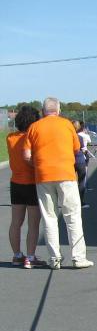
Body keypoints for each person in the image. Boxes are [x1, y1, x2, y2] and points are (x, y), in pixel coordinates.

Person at [23, 97, 93, 270]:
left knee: (49, 218)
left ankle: (55, 258)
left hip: (43, 177)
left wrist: (38, 165)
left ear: (43, 111)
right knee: (72, 216)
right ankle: (78, 258)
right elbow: (76, 149)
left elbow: (26, 155)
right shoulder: (67, 125)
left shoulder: (34, 127)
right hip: (66, 175)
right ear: (58, 110)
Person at [7, 106, 45, 269]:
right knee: (33, 223)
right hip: (32, 183)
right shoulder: (32, 138)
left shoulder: (10, 137)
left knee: (16, 222)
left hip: (16, 183)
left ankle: (17, 255)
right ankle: (30, 256)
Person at [73, 120, 90, 207]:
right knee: (81, 182)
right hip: (79, 161)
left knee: (69, 182)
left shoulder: (67, 137)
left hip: (70, 161)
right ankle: (80, 202)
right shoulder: (79, 137)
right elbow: (83, 149)